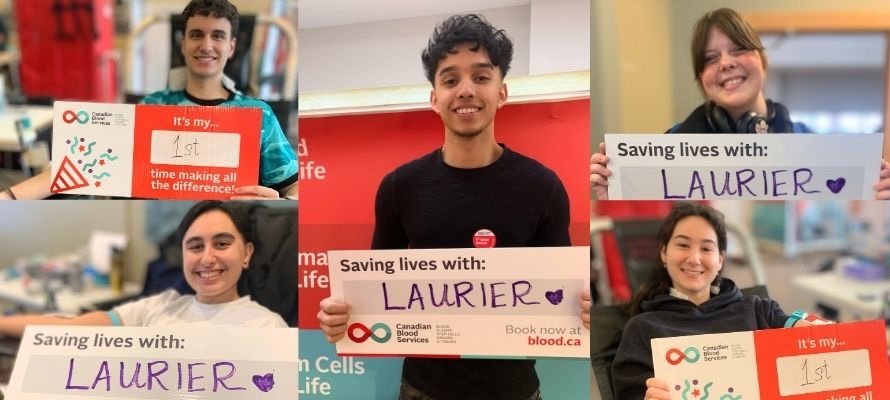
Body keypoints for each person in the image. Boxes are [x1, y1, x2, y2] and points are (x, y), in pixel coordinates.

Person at [317, 14, 591, 400]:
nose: (465, 90)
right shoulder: (399, 187)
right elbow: (375, 294)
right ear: (434, 98)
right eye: (450, 80)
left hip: (514, 392)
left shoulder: (542, 187)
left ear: (502, 92)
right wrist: (342, 315)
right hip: (422, 390)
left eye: (481, 77)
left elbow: (562, 295)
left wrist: (585, 309)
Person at [0, 0, 297, 201]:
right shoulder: (151, 108)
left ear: (231, 47)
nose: (206, 45)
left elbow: (294, 187)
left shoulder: (258, 115)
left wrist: (280, 203)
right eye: (196, 35)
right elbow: (80, 164)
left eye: (217, 36)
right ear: (183, 43)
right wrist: (10, 197)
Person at [589, 7, 890, 200]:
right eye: (710, 58)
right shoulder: (672, 143)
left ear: (763, 61)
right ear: (701, 78)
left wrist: (878, 195)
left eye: (739, 49)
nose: (726, 63)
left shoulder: (812, 142)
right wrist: (613, 194)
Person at [610, 202, 819, 400]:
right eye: (683, 245)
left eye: (706, 248)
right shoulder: (642, 328)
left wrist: (809, 331)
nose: (694, 259)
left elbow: (794, 328)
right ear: (664, 253)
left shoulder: (758, 310)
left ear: (720, 259)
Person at [0, 200, 286, 337]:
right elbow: (72, 328)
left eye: (222, 244)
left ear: (247, 253)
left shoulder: (267, 328)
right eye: (195, 246)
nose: (207, 258)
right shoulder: (158, 308)